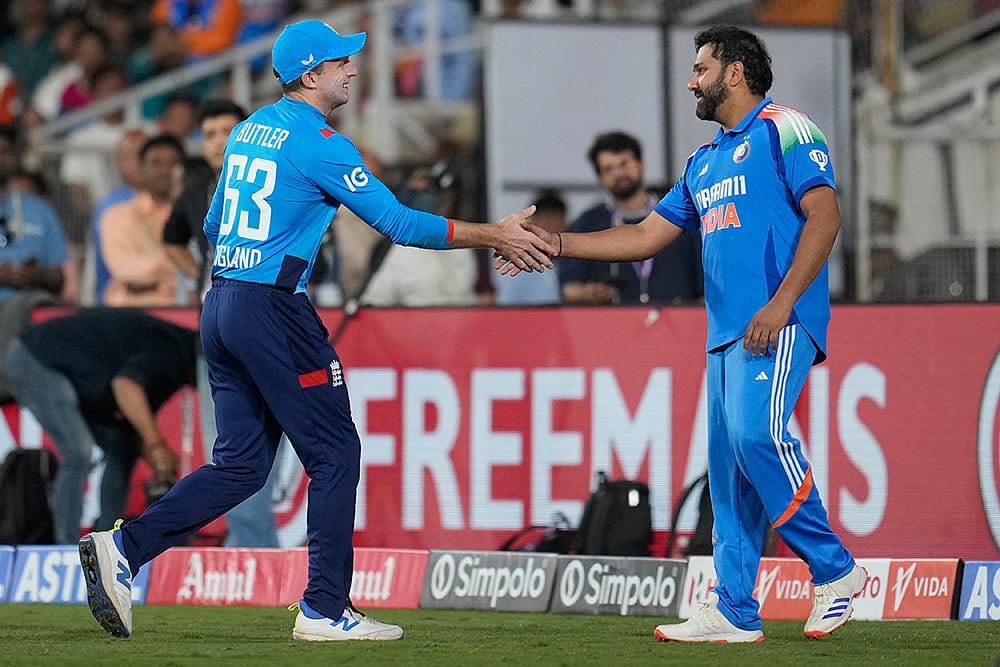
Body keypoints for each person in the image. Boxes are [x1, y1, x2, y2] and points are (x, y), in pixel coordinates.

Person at [78, 18, 553, 642]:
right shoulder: (320, 141)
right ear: (311, 74)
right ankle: (325, 608)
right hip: (272, 309)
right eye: (342, 62)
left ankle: (126, 548)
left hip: (222, 302)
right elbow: (402, 225)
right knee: (335, 454)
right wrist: (495, 233)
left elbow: (216, 224)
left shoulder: (250, 130)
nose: (353, 69)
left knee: (243, 465)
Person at [519, 26, 866, 643]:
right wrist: (558, 243)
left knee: (759, 437)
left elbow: (826, 215)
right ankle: (734, 609)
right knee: (729, 475)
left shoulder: (787, 127)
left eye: (701, 68)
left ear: (734, 71)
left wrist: (781, 304)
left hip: (775, 323)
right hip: (727, 334)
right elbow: (645, 236)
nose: (692, 81)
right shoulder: (702, 162)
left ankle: (835, 570)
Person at [163, 98, 282, 548]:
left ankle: (251, 548)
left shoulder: (274, 182)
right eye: (209, 134)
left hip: (267, 327)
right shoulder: (197, 190)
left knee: (256, 452)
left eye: (227, 132)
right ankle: (252, 550)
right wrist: (197, 273)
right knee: (233, 452)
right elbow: (171, 237)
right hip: (216, 334)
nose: (218, 143)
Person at [3, 308, 195, 544]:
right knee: (77, 452)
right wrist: (156, 446)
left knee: (123, 446)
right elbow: (126, 387)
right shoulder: (172, 349)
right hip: (34, 361)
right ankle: (66, 547)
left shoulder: (173, 367)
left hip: (77, 380)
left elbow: (136, 427)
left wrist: (159, 463)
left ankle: (105, 539)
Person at [559, 131, 703, 306]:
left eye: (625, 164)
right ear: (600, 178)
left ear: (641, 165)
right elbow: (568, 287)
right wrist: (586, 293)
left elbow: (704, 277)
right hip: (615, 325)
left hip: (679, 321)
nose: (619, 173)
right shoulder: (588, 222)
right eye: (609, 169)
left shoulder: (677, 211)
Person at [0, 124, 67, 403]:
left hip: (27, 317)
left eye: (4, 151)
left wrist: (34, 275)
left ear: (15, 156)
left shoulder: (39, 210)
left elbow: (58, 277)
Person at [100, 134, 185, 307]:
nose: (165, 170)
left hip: (184, 312)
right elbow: (125, 269)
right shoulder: (117, 215)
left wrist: (154, 280)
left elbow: (204, 268)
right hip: (129, 311)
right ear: (141, 168)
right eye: (156, 163)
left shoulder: (198, 214)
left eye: (173, 163)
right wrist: (178, 271)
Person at [494, 189, 567, 306]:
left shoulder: (571, 263)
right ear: (533, 223)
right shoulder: (519, 266)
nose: (553, 226)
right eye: (547, 220)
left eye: (558, 220)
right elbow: (506, 310)